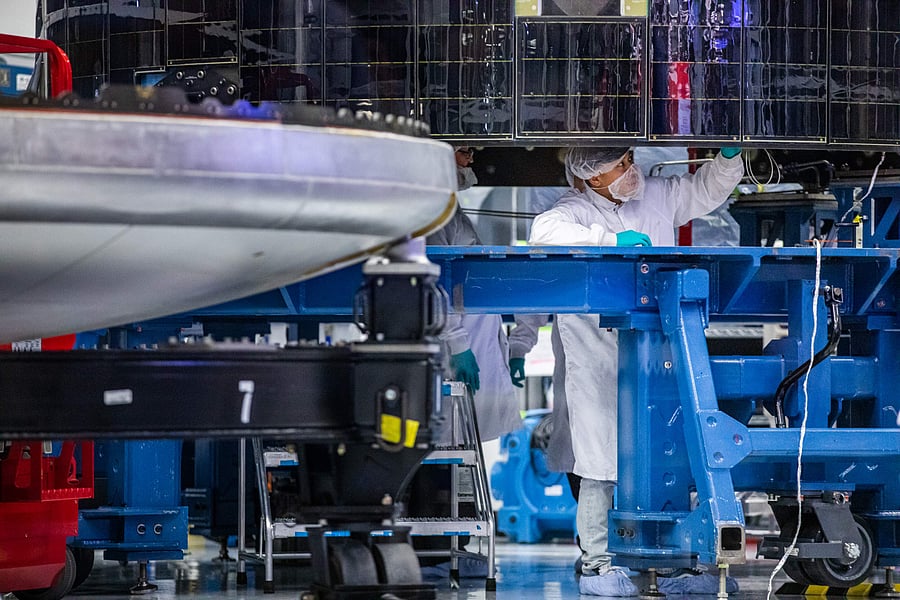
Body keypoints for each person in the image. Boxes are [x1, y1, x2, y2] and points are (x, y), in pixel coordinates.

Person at [522, 146, 744, 597]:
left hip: (657, 348)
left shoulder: (655, 196)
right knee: (599, 458)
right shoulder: (575, 211)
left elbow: (704, 190)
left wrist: (727, 159)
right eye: (619, 165)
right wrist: (609, 243)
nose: (631, 170)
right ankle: (598, 565)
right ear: (591, 177)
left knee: (674, 452)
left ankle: (685, 560)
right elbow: (542, 235)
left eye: (628, 158)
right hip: (597, 355)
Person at [426, 146, 523, 442]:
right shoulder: (430, 208)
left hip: (472, 341)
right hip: (453, 346)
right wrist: (456, 344)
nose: (470, 161)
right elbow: (431, 279)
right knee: (449, 447)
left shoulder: (446, 206)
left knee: (465, 444)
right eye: (464, 152)